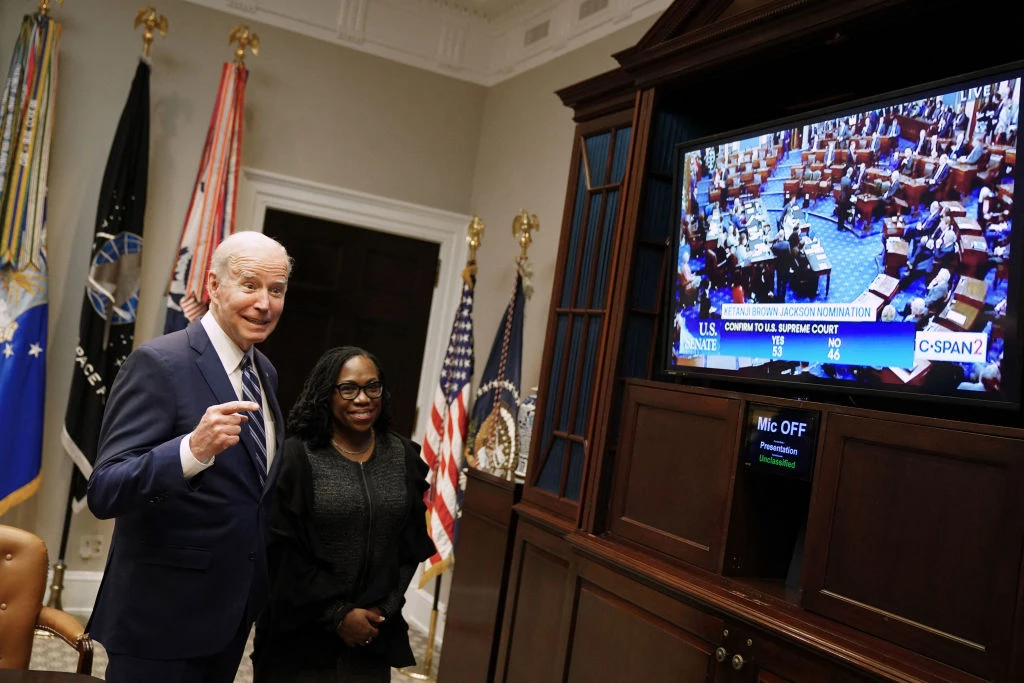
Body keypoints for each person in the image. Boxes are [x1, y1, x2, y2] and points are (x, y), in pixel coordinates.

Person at [87, 232, 292, 683]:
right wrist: (190, 451)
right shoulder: (159, 363)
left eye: (276, 290)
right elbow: (104, 490)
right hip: (159, 620)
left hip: (229, 618)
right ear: (214, 286)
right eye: (250, 285)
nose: (265, 303)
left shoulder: (265, 372)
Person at [252, 347, 435, 682]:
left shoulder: (402, 457)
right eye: (349, 388)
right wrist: (337, 614)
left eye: (372, 387)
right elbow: (280, 554)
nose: (363, 398)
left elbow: (408, 548)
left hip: (371, 635)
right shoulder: (298, 457)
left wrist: (383, 610)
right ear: (327, 394)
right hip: (300, 635)